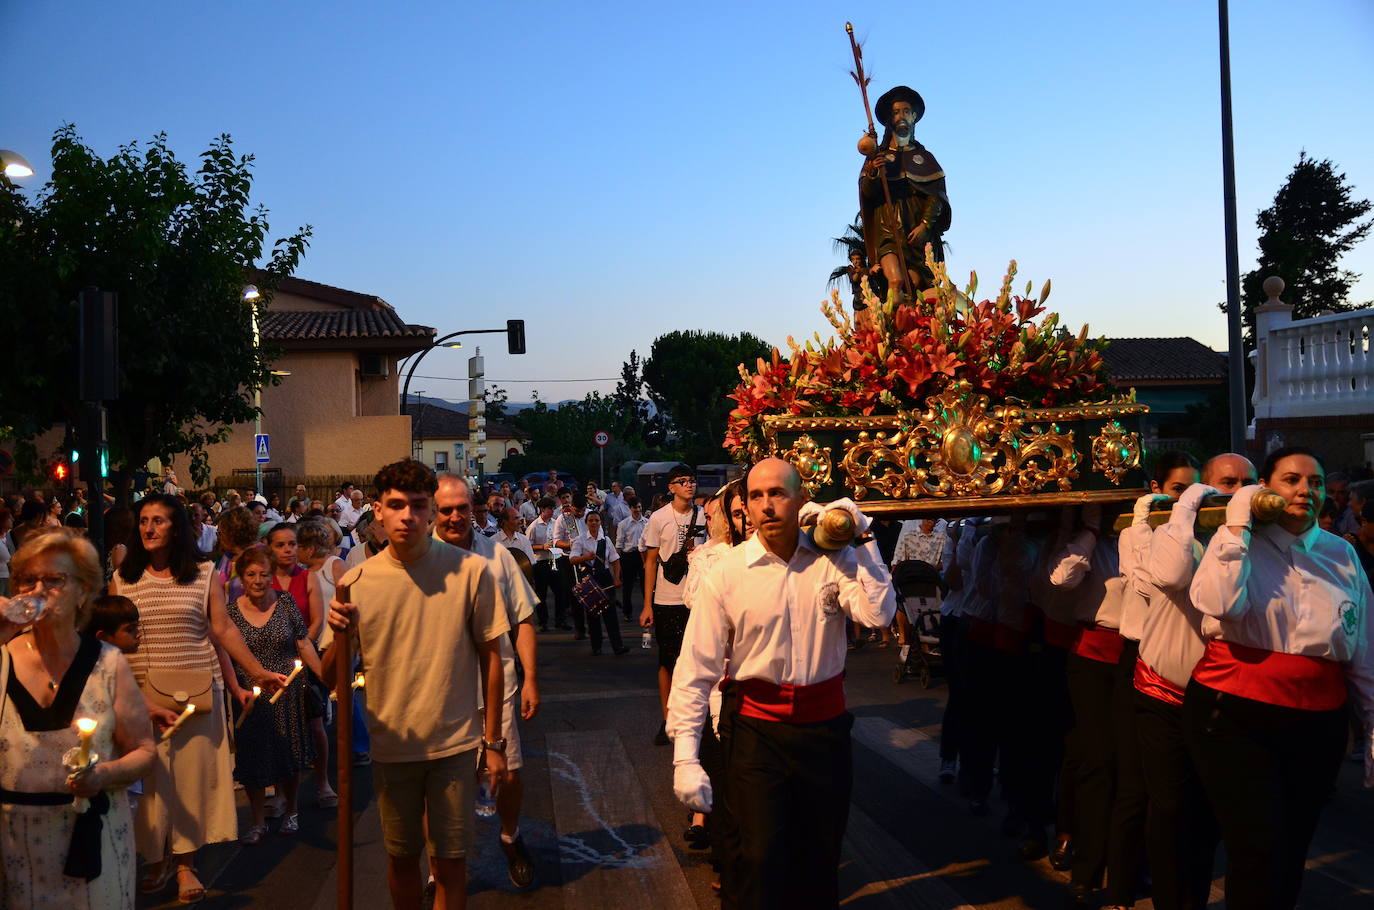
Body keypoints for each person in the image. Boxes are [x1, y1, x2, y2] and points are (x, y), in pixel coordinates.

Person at [667, 459, 896, 908]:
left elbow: (878, 614)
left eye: (778, 493)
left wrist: (864, 537)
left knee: (818, 858)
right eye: (756, 496)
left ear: (801, 499)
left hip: (824, 732)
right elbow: (696, 668)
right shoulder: (727, 573)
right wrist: (685, 758)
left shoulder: (834, 559)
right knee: (757, 859)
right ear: (746, 506)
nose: (767, 505)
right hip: (756, 732)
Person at [1186, 447, 1374, 909]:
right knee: (1258, 846)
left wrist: (1372, 726)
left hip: (1319, 722)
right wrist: (1237, 526)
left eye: (1316, 482)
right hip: (1236, 715)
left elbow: (1363, 648)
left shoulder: (1342, 553)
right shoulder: (1235, 541)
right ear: (1264, 489)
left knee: (1292, 847)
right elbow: (1219, 604)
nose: (1306, 490)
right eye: (1291, 480)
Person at [322, 460, 509, 910]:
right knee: (402, 859)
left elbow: (492, 658)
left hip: (454, 744)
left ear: (430, 511)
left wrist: (494, 743)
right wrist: (339, 634)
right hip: (392, 747)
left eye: (418, 505)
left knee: (450, 864)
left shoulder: (470, 571)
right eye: (396, 505)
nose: (407, 515)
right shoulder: (356, 582)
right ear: (377, 512)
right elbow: (330, 679)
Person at [114, 494, 287, 904]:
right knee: (149, 782)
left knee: (188, 781)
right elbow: (113, 634)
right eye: (144, 520)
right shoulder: (123, 577)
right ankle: (155, 857)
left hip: (195, 691)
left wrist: (255, 672)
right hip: (139, 692)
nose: (149, 528)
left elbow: (222, 630)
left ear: (177, 527)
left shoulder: (205, 573)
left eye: (158, 520)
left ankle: (185, 863)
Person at [0, 529, 157, 910]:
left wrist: (103, 775)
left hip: (93, 843)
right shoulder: (2, 658)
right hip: (15, 848)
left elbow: (144, 750)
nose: (38, 590)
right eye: (27, 580)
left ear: (83, 592)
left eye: (54, 580)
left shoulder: (108, 663)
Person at [1130, 452, 1255, 910]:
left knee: (1208, 815)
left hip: (1224, 699)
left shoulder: (1252, 540)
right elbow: (1171, 575)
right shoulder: (1171, 533)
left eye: (1248, 483)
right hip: (1162, 693)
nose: (1239, 492)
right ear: (1205, 488)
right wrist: (1185, 509)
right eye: (1227, 483)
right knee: (1169, 809)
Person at [432, 476, 539, 889]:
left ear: (473, 508)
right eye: (446, 509)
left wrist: (531, 678)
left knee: (507, 774)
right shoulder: (419, 557)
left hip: (499, 687)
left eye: (462, 507)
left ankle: (510, 837)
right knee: (439, 785)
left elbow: (523, 619)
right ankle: (437, 867)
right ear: (434, 512)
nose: (455, 516)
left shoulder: (498, 556)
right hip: (440, 693)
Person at [226, 547, 322, 844]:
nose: (258, 580)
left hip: (287, 691)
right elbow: (225, 654)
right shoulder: (230, 613)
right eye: (251, 574)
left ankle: (291, 811)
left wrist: (325, 676)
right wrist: (235, 688)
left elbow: (303, 643)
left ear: (272, 577)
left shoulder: (286, 602)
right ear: (241, 578)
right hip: (250, 696)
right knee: (252, 757)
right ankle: (257, 821)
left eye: (264, 574)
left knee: (288, 755)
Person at [264, 523, 335, 808]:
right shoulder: (264, 579)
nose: (288, 550)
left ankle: (322, 782)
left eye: (292, 544)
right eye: (280, 545)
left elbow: (317, 620)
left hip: (304, 657)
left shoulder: (308, 577)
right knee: (276, 728)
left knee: (315, 724)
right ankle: (280, 788)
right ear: (270, 548)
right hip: (272, 660)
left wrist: (301, 644)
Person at [859, 85, 951, 297]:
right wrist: (873, 172)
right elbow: (868, 195)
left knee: (917, 286)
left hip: (916, 233)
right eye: (895, 112)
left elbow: (936, 196)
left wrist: (925, 225)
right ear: (889, 120)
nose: (901, 116)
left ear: (914, 117)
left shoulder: (925, 158)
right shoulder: (878, 157)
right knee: (895, 281)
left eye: (906, 111)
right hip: (888, 228)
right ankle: (888, 318)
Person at [641, 466, 706, 746]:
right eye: (683, 481)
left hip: (698, 598)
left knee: (698, 661)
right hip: (667, 600)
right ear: (671, 487)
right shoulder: (659, 518)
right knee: (667, 660)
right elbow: (650, 563)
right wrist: (647, 605)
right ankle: (667, 719)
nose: (689, 485)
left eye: (692, 480)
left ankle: (695, 717)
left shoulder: (703, 515)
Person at [570, 510, 628, 656]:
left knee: (611, 614)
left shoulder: (606, 540)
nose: (594, 523)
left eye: (596, 520)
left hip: (605, 578)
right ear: (586, 523)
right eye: (591, 520)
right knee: (593, 614)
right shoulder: (580, 540)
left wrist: (616, 578)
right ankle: (596, 646)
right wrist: (586, 557)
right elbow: (572, 559)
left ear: (600, 522)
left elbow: (615, 560)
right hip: (589, 580)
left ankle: (617, 646)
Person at [615, 497, 649, 621]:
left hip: (643, 555)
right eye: (635, 507)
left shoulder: (647, 523)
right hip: (628, 556)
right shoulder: (623, 524)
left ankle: (648, 610)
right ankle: (627, 612)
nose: (637, 510)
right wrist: (617, 566)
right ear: (630, 508)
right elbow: (619, 544)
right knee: (627, 586)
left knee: (646, 585)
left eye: (639, 507)